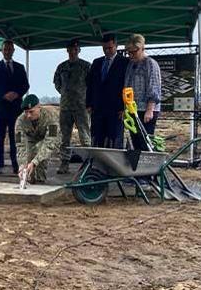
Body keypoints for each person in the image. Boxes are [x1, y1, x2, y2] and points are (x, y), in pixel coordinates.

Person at [0, 40, 30, 174]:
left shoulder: (20, 67)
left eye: (10, 49)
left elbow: (25, 85)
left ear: (13, 51)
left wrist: (16, 94)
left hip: (15, 109)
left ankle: (16, 165)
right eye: (5, 49)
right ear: (2, 50)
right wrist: (3, 95)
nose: (7, 52)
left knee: (15, 138)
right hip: (0, 109)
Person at [53, 39, 92, 174]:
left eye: (75, 50)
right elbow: (57, 84)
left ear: (79, 51)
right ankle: (64, 163)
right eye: (70, 50)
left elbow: (93, 85)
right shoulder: (61, 67)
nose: (72, 52)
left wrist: (86, 100)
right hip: (65, 107)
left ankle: (89, 164)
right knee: (65, 138)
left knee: (85, 137)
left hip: (82, 107)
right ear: (67, 50)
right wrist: (66, 94)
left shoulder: (86, 66)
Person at [87, 34, 130, 149]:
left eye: (110, 48)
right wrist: (89, 103)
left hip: (116, 109)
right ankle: (97, 164)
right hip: (98, 109)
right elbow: (90, 84)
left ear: (116, 46)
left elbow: (128, 86)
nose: (107, 51)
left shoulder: (125, 63)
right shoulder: (97, 62)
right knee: (97, 137)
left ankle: (114, 165)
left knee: (114, 139)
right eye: (104, 48)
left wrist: (124, 107)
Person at [124, 34, 162, 151]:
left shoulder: (150, 64)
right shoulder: (130, 64)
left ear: (142, 48)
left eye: (134, 52)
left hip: (146, 110)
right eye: (129, 52)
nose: (131, 55)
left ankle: (148, 167)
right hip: (132, 109)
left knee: (145, 143)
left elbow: (154, 88)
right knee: (135, 143)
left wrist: (149, 110)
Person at [16, 94, 61, 184]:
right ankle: (28, 181)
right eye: (26, 112)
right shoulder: (20, 121)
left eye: (31, 112)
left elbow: (50, 142)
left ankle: (41, 182)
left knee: (39, 153)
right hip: (32, 139)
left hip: (49, 139)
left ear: (39, 107)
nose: (28, 115)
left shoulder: (51, 117)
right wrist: (22, 165)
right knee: (28, 159)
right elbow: (20, 144)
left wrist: (34, 162)